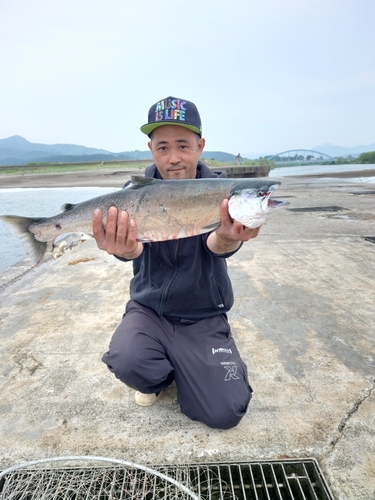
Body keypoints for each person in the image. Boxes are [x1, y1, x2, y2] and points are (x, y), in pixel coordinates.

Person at [93, 96, 260, 429]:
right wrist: (122, 248)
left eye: (183, 146)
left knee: (225, 412)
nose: (173, 159)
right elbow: (136, 252)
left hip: (202, 312)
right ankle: (160, 376)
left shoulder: (223, 193)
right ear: (151, 148)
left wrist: (230, 235)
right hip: (149, 309)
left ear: (200, 146)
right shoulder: (132, 194)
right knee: (129, 361)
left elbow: (215, 246)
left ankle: (194, 364)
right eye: (163, 147)